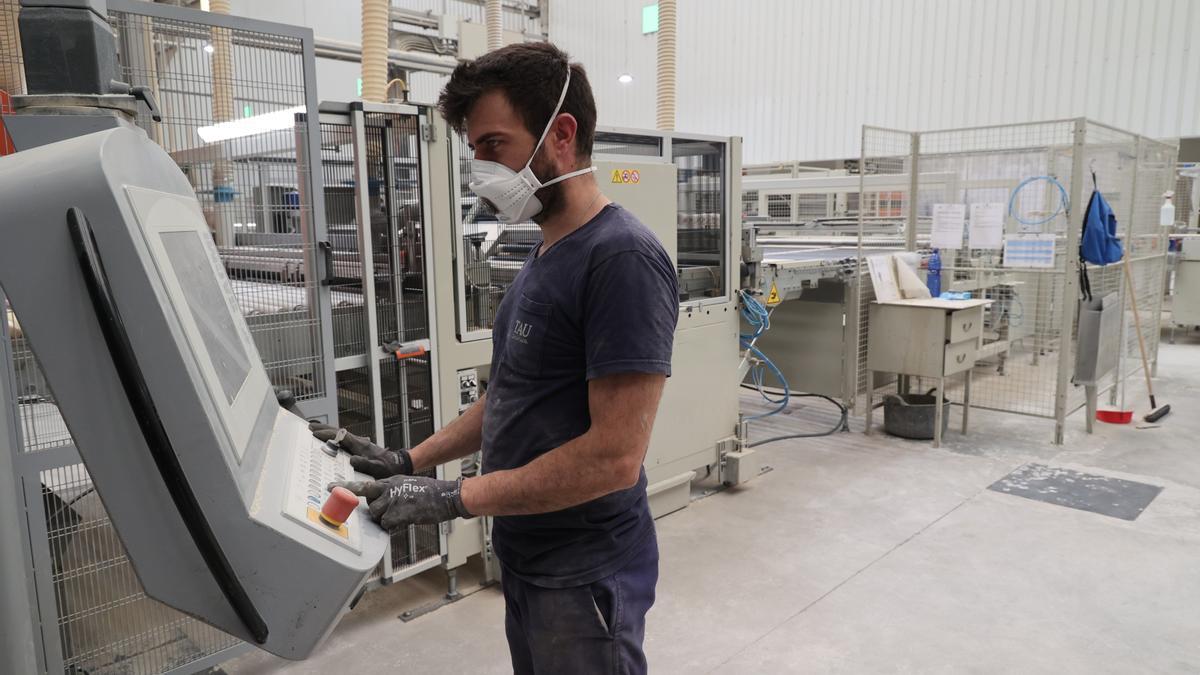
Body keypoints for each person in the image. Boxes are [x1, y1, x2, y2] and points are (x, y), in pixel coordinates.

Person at [316, 42, 679, 674]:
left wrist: (452, 499)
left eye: (492, 145)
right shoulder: (542, 256)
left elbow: (616, 456)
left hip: (585, 570)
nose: (479, 167)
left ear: (561, 134)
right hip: (530, 553)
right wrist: (411, 459)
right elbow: (511, 395)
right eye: (474, 150)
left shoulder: (620, 258)